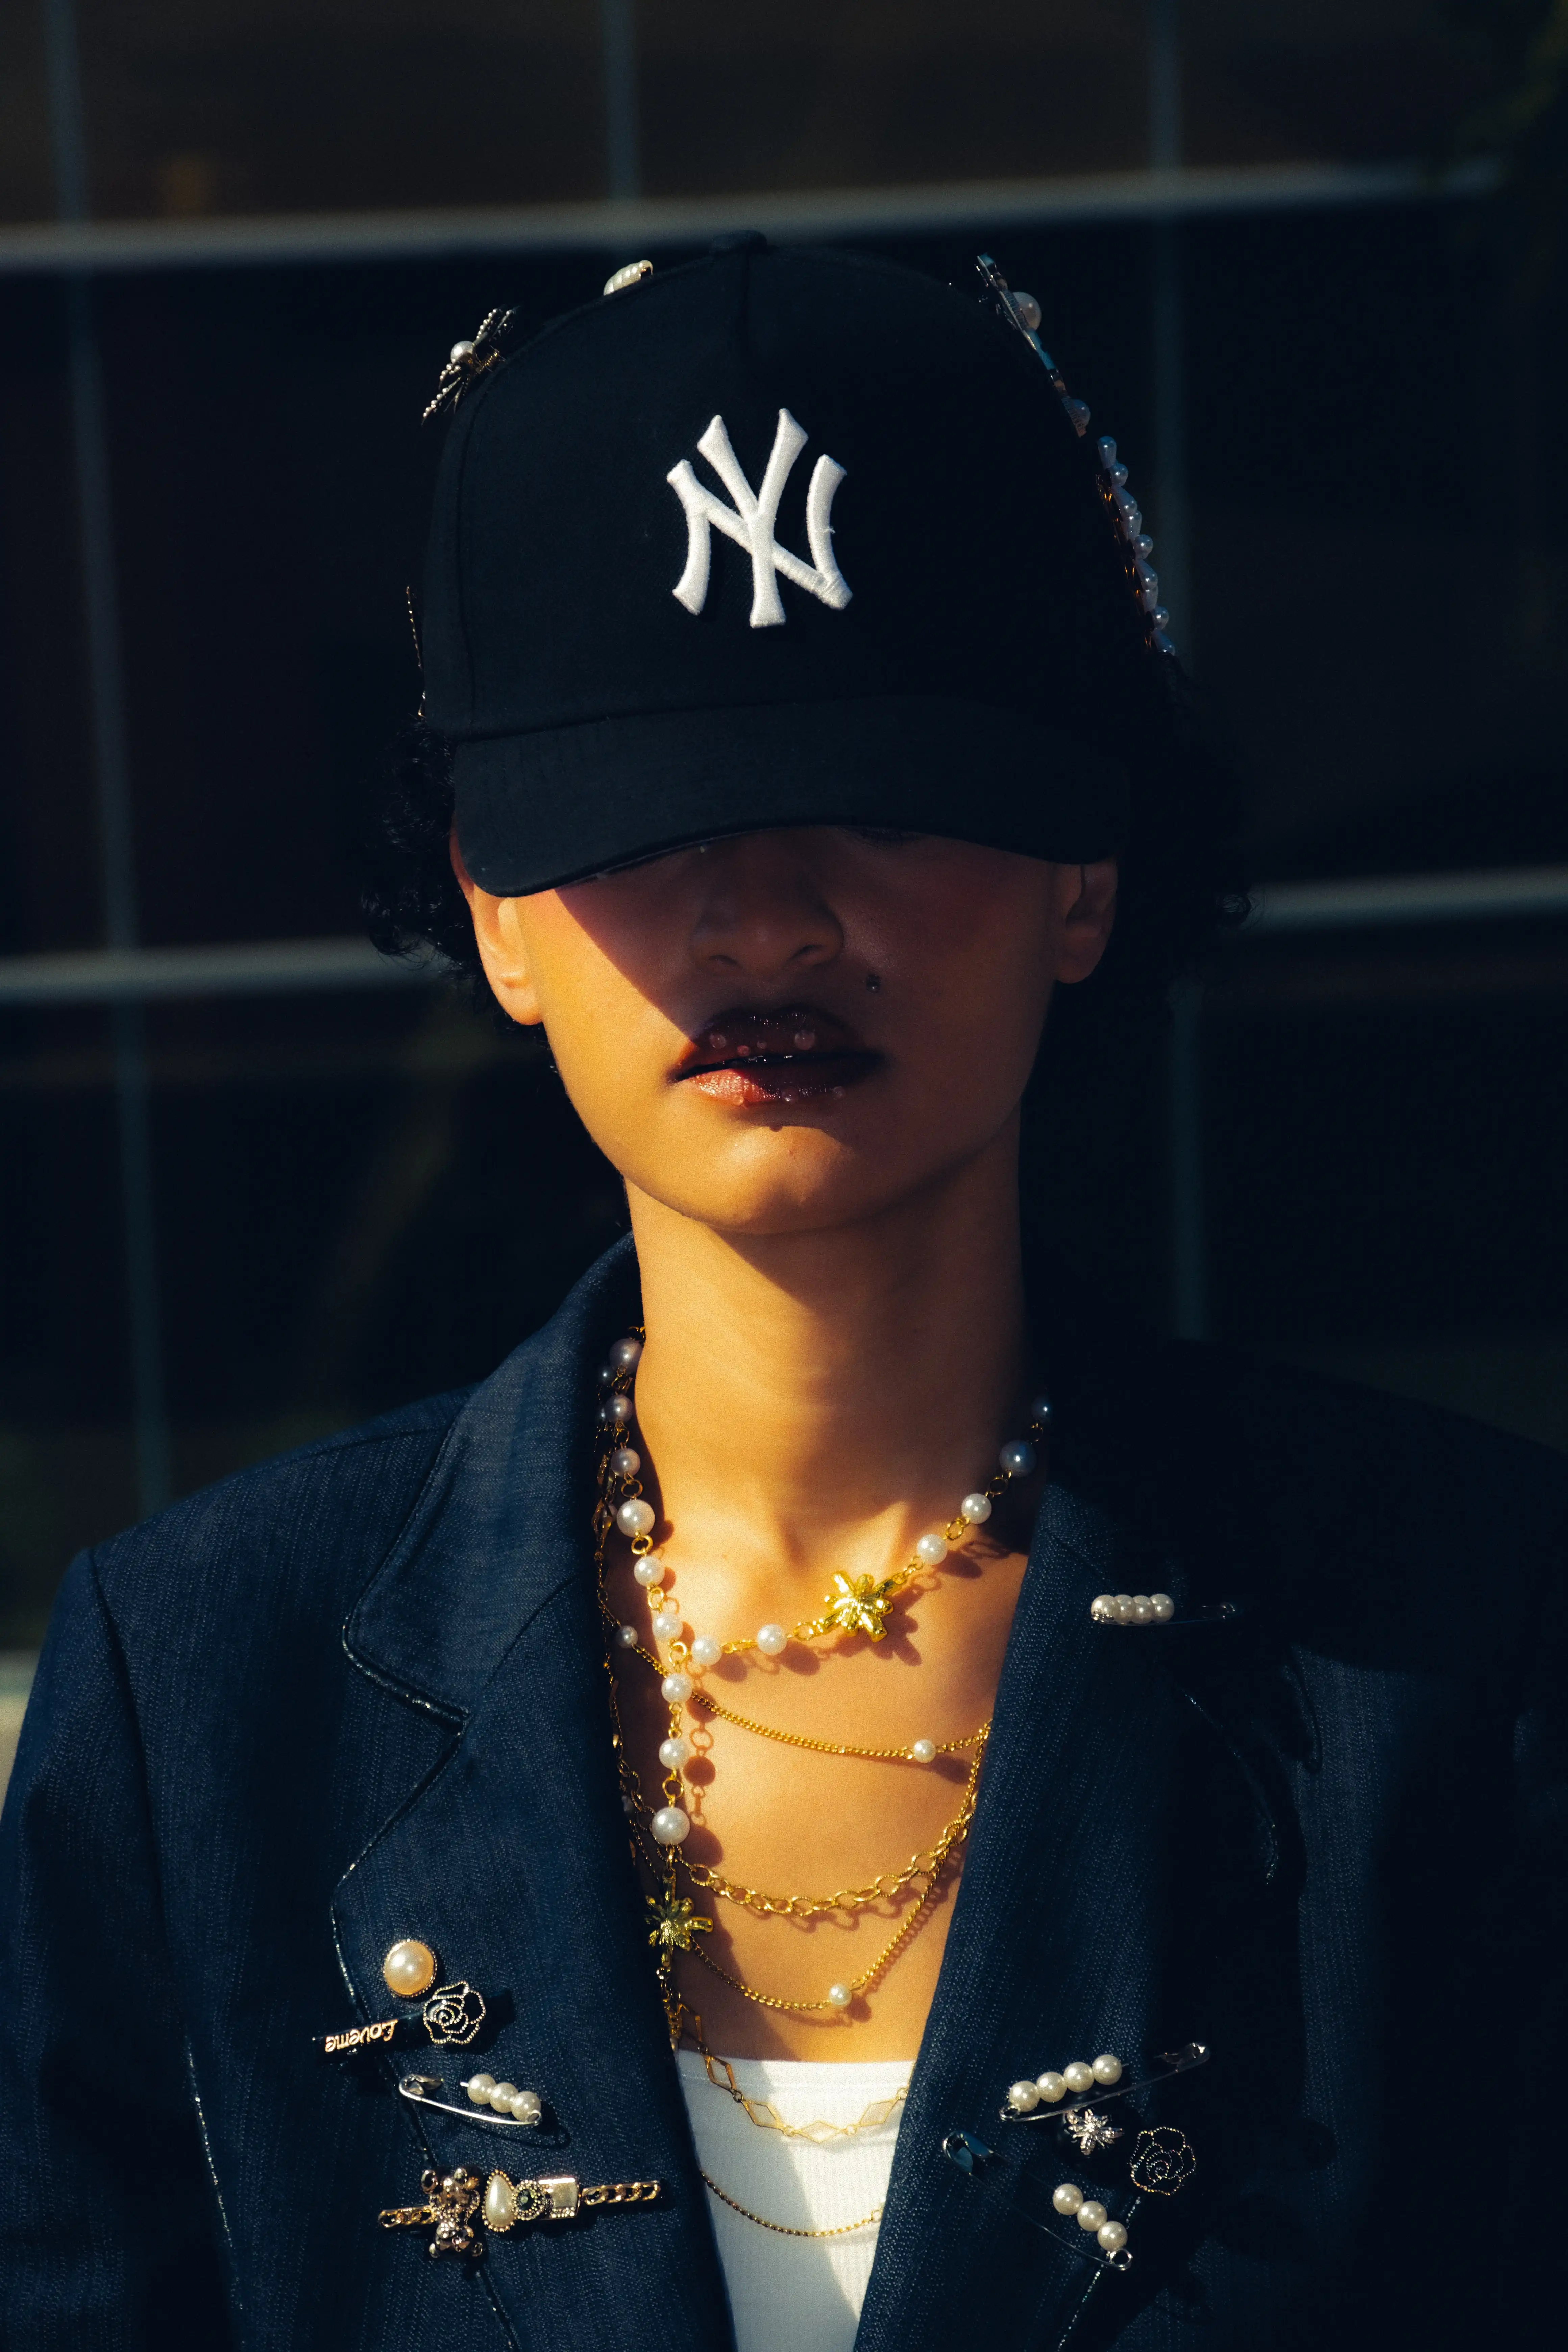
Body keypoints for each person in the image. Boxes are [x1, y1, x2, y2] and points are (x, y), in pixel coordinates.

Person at [1, 237, 1562, 2352]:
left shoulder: (1466, 1654)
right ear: (494, 907)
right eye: (642, 813)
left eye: (887, 791)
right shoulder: (199, 1694)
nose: (767, 912)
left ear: (1085, 862)